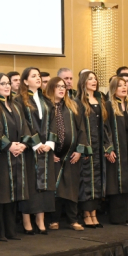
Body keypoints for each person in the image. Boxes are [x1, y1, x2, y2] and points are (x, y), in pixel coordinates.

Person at [0, 72, 31, 241]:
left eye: (8, 83)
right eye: (2, 84)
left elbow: (25, 128)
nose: (7, 86)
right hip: (1, 156)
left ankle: (11, 230)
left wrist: (23, 144)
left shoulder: (16, 105)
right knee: (1, 194)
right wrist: (8, 145)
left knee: (13, 193)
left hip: (17, 155)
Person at [17, 67, 55, 234]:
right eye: (34, 76)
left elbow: (53, 122)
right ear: (25, 81)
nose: (38, 78)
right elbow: (22, 123)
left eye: (39, 76)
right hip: (29, 150)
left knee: (44, 186)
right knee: (30, 185)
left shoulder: (46, 100)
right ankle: (27, 221)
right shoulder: (19, 100)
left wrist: (50, 143)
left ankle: (41, 220)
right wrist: (36, 143)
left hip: (46, 149)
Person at [45, 77, 85, 231]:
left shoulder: (72, 107)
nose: (62, 89)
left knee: (71, 189)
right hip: (54, 156)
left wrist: (79, 150)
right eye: (58, 86)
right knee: (56, 190)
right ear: (51, 88)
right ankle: (54, 220)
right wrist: (50, 153)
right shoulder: (47, 107)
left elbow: (81, 130)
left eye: (63, 86)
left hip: (71, 156)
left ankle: (73, 220)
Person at [77, 71, 112, 228]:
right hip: (88, 147)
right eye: (90, 79)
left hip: (99, 147)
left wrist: (107, 146)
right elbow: (79, 127)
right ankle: (86, 214)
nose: (94, 81)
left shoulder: (100, 100)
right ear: (83, 82)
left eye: (95, 79)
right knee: (87, 181)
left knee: (98, 181)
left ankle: (94, 214)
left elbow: (105, 126)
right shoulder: (79, 102)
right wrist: (84, 147)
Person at [106, 75, 128, 225]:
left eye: (125, 85)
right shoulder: (108, 106)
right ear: (114, 89)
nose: (124, 87)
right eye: (120, 85)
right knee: (117, 183)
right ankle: (118, 218)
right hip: (117, 150)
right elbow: (105, 128)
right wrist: (109, 148)